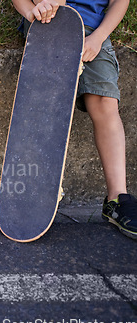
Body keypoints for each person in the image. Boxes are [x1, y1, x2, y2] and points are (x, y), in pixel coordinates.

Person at [12, 0, 137, 240]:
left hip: (92, 33)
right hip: (47, 25)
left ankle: (117, 199)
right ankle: (30, 194)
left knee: (104, 101)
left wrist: (99, 38)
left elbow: (120, 2)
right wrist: (30, 13)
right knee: (45, 108)